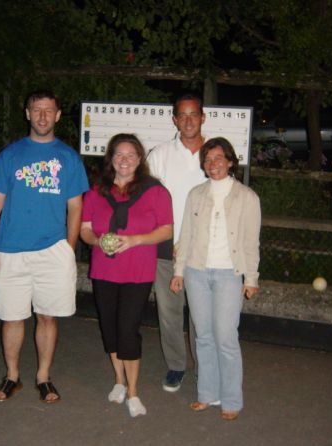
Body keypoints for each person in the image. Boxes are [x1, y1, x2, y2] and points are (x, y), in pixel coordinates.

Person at [0, 89, 89, 404]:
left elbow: (76, 206)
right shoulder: (10, 155)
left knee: (47, 316)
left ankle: (43, 377)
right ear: (27, 114)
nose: (42, 116)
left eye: (48, 110)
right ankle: (12, 376)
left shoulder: (68, 158)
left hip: (52, 250)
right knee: (11, 317)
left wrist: (68, 249)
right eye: (36, 110)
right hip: (10, 250)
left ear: (58, 115)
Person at [80, 134, 173, 417]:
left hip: (137, 271)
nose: (124, 160)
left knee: (128, 329)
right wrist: (98, 241)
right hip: (104, 269)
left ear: (139, 158)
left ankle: (133, 391)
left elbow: (166, 230)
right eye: (119, 154)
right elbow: (85, 229)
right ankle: (118, 381)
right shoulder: (96, 191)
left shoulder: (155, 191)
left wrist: (135, 240)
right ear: (111, 158)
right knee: (109, 327)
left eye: (130, 154)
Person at [170, 137, 261, 421]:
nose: (213, 164)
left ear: (230, 161)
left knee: (226, 337)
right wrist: (179, 271)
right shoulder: (196, 194)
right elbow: (186, 236)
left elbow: (251, 242)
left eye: (218, 158)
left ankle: (232, 399)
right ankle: (207, 394)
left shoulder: (247, 197)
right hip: (196, 272)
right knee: (204, 336)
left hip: (229, 275)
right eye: (208, 160)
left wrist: (251, 278)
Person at [147, 93, 208, 392]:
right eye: (182, 115)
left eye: (193, 114)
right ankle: (176, 366)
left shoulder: (215, 153)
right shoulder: (159, 154)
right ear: (174, 120)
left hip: (205, 249)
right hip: (166, 247)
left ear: (203, 117)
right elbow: (147, 201)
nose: (188, 121)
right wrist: (165, 236)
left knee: (201, 314)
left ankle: (205, 368)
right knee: (169, 312)